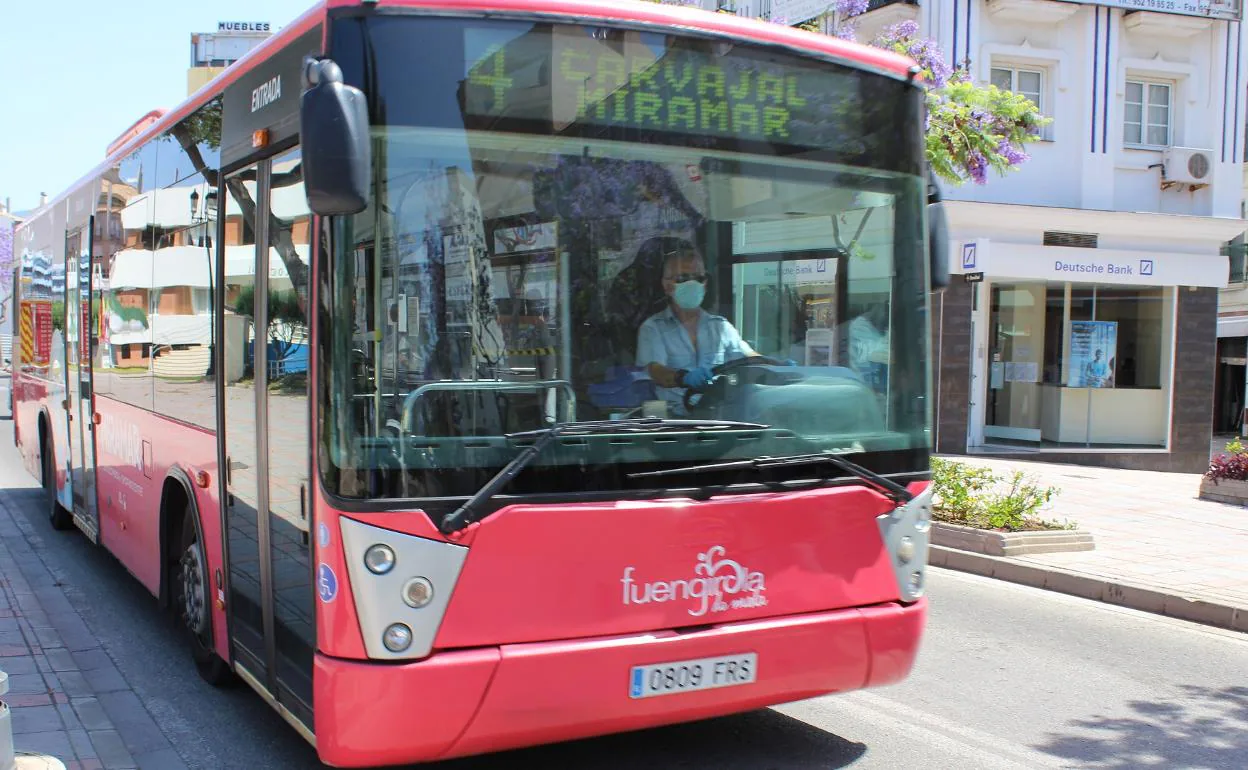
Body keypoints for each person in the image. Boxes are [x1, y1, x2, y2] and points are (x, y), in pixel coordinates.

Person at [635, 242, 758, 413]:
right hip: (674, 422)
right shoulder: (653, 329)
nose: (692, 284)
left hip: (721, 418)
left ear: (705, 284)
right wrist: (683, 378)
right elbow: (656, 371)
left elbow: (749, 357)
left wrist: (778, 366)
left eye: (698, 278)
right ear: (666, 285)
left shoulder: (721, 327)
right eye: (683, 279)